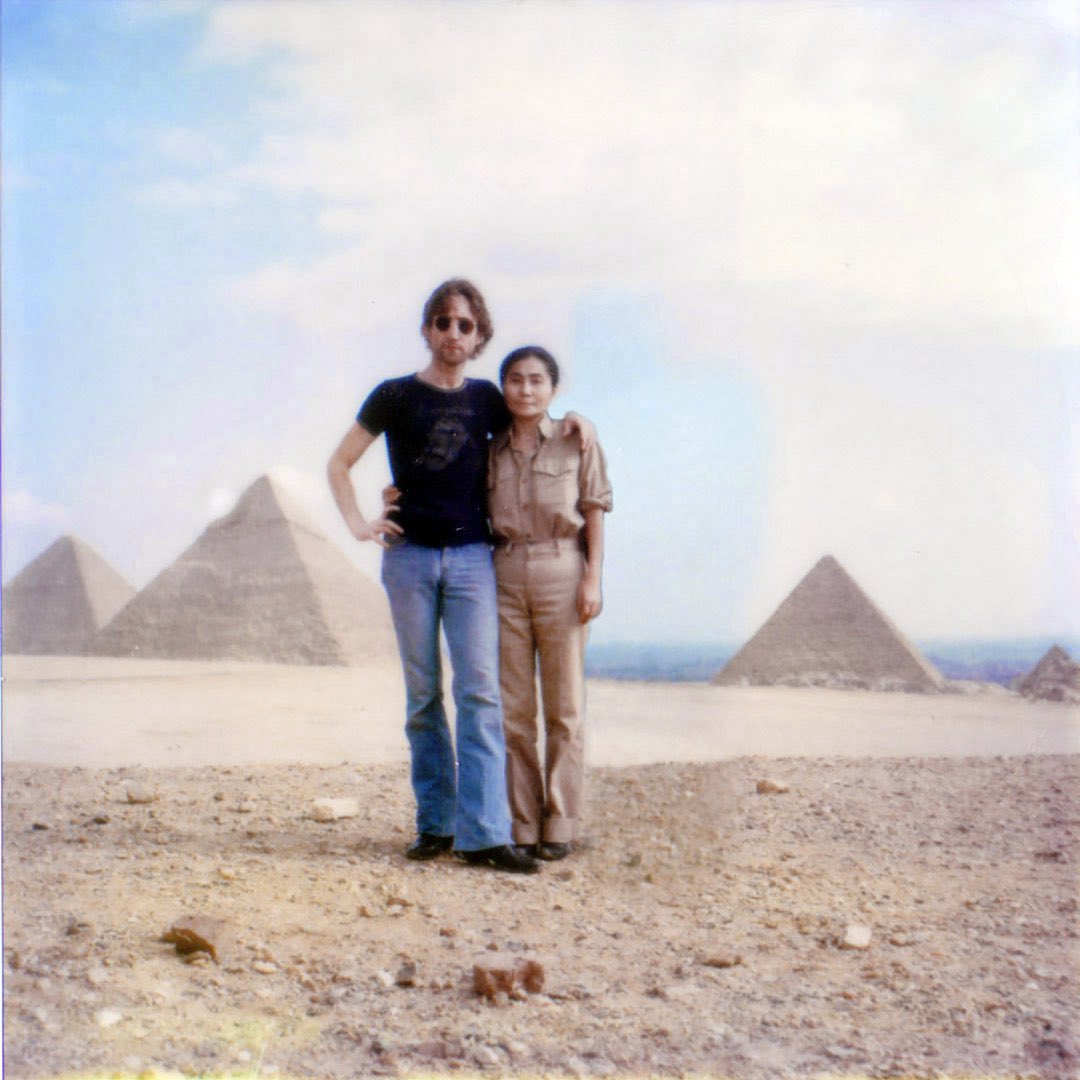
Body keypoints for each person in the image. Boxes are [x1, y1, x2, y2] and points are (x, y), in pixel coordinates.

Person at [327, 280, 589, 875]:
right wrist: (360, 523)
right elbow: (340, 462)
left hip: (474, 559)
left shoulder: (487, 400)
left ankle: (485, 833)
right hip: (409, 558)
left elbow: (535, 418)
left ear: (479, 336)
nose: (452, 333)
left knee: (480, 694)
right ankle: (436, 824)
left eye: (465, 325)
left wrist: (577, 418)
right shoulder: (393, 395)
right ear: (426, 330)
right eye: (442, 322)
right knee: (423, 698)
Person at [488, 346, 612, 860]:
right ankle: (521, 823)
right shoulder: (490, 449)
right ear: (504, 388)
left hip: (563, 567)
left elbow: (595, 509)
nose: (525, 389)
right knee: (514, 710)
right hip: (505, 572)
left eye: (537, 380)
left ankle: (560, 821)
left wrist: (593, 578)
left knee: (564, 706)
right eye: (515, 380)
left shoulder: (577, 440)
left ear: (553, 389)